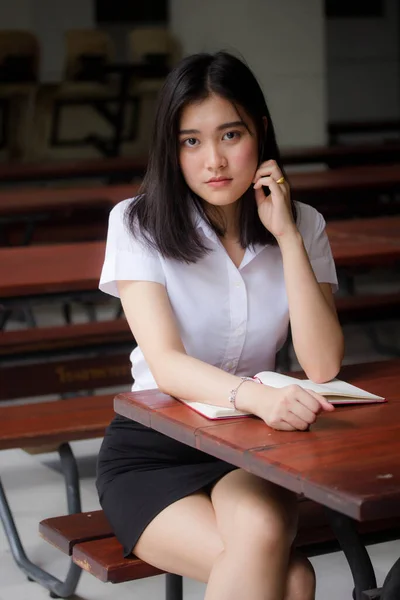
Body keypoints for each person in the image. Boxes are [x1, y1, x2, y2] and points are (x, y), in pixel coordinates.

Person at [96, 51, 344, 600]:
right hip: (154, 447)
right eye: (191, 141)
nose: (214, 160)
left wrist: (286, 237)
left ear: (261, 132)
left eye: (230, 135)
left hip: (249, 448)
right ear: (172, 148)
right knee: (294, 578)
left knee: (286, 568)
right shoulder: (136, 223)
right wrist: (254, 397)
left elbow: (322, 364)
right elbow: (165, 364)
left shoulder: (304, 224)